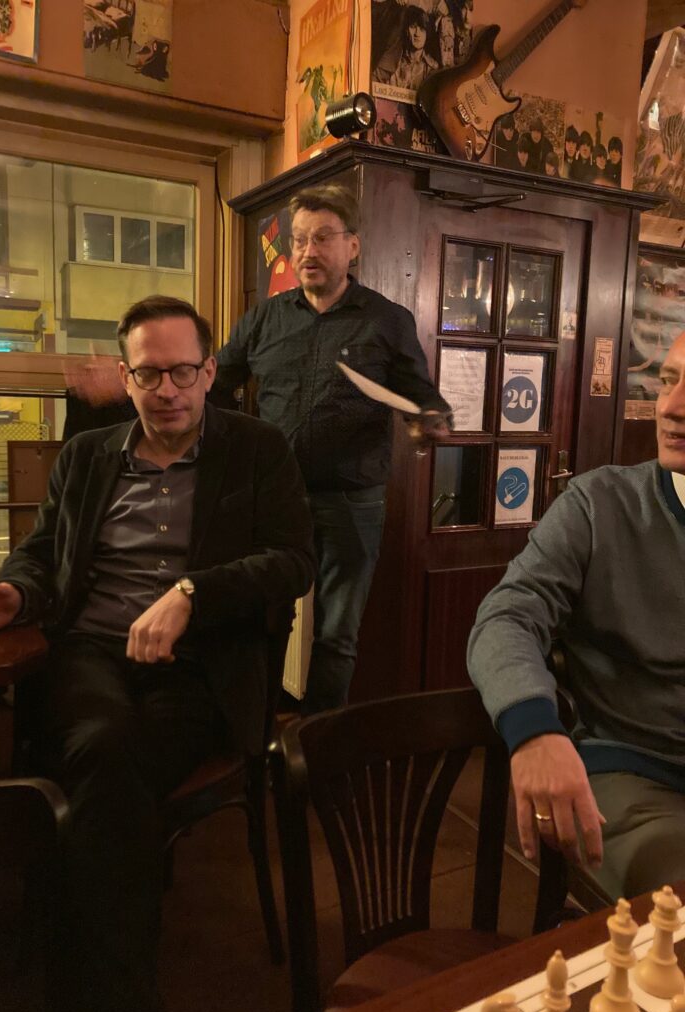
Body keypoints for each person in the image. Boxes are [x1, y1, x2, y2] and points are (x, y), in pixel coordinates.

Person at [0, 295, 316, 1012]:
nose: (166, 389)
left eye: (182, 371)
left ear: (210, 372)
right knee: (107, 752)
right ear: (125, 377)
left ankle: (75, 987)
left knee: (102, 765)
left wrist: (193, 593)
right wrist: (15, 596)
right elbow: (42, 554)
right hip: (91, 654)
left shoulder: (257, 449)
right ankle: (120, 1001)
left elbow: (293, 562)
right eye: (148, 374)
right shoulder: (87, 456)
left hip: (200, 667)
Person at [212, 184, 451, 714]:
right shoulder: (264, 319)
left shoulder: (387, 320)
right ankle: (261, 735)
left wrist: (429, 420)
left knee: (338, 635)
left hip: (351, 501)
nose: (307, 251)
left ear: (352, 246)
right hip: (275, 500)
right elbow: (215, 385)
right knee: (266, 620)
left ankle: (317, 745)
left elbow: (422, 397)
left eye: (322, 238)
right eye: (299, 240)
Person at [467, 329, 685, 900]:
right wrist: (534, 729)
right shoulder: (599, 505)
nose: (672, 407)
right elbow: (505, 618)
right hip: (635, 773)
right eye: (667, 382)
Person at [376, 5, 438, 90]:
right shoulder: (393, 60)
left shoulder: (432, 68)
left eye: (422, 28)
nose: (417, 33)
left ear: (427, 33)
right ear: (406, 30)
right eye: (413, 27)